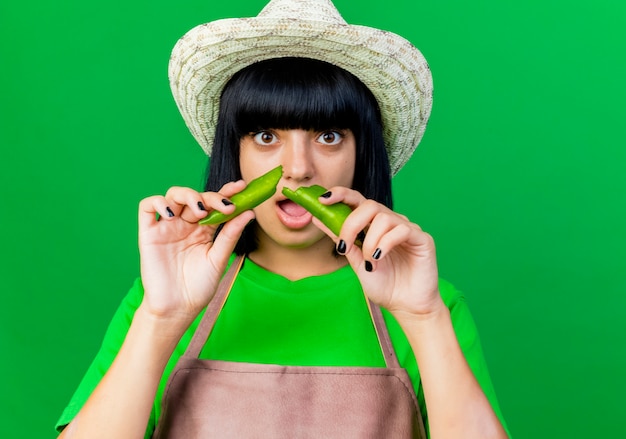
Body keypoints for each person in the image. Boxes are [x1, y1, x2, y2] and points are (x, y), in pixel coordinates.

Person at [56, 0, 510, 437]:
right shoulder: (162, 294)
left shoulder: (428, 301)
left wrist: (423, 317)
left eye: (329, 136)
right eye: (266, 135)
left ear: (361, 155)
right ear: (235, 153)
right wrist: (161, 319)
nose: (297, 167)